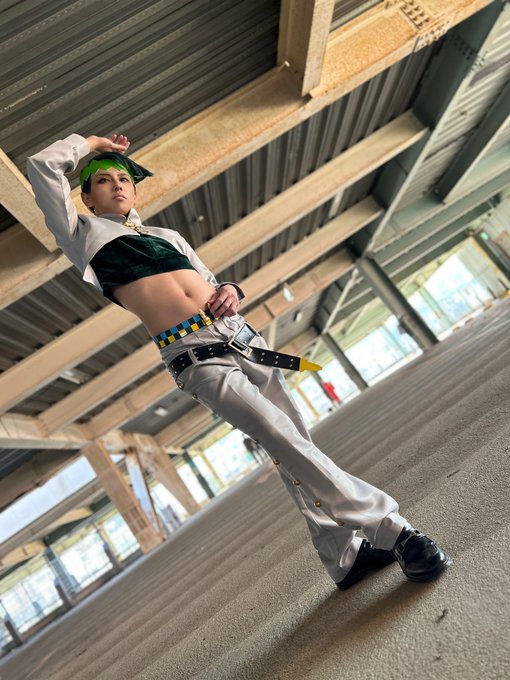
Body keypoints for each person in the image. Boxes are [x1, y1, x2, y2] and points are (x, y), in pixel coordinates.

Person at [27, 132, 452, 591]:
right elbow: (42, 167)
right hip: (194, 357)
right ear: (87, 198)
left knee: (293, 442)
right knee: (279, 433)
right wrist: (92, 144)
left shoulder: (167, 236)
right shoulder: (82, 236)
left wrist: (230, 289)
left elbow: (211, 281)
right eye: (103, 181)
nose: (117, 185)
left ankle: (343, 557)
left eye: (124, 179)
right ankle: (390, 529)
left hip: (241, 337)